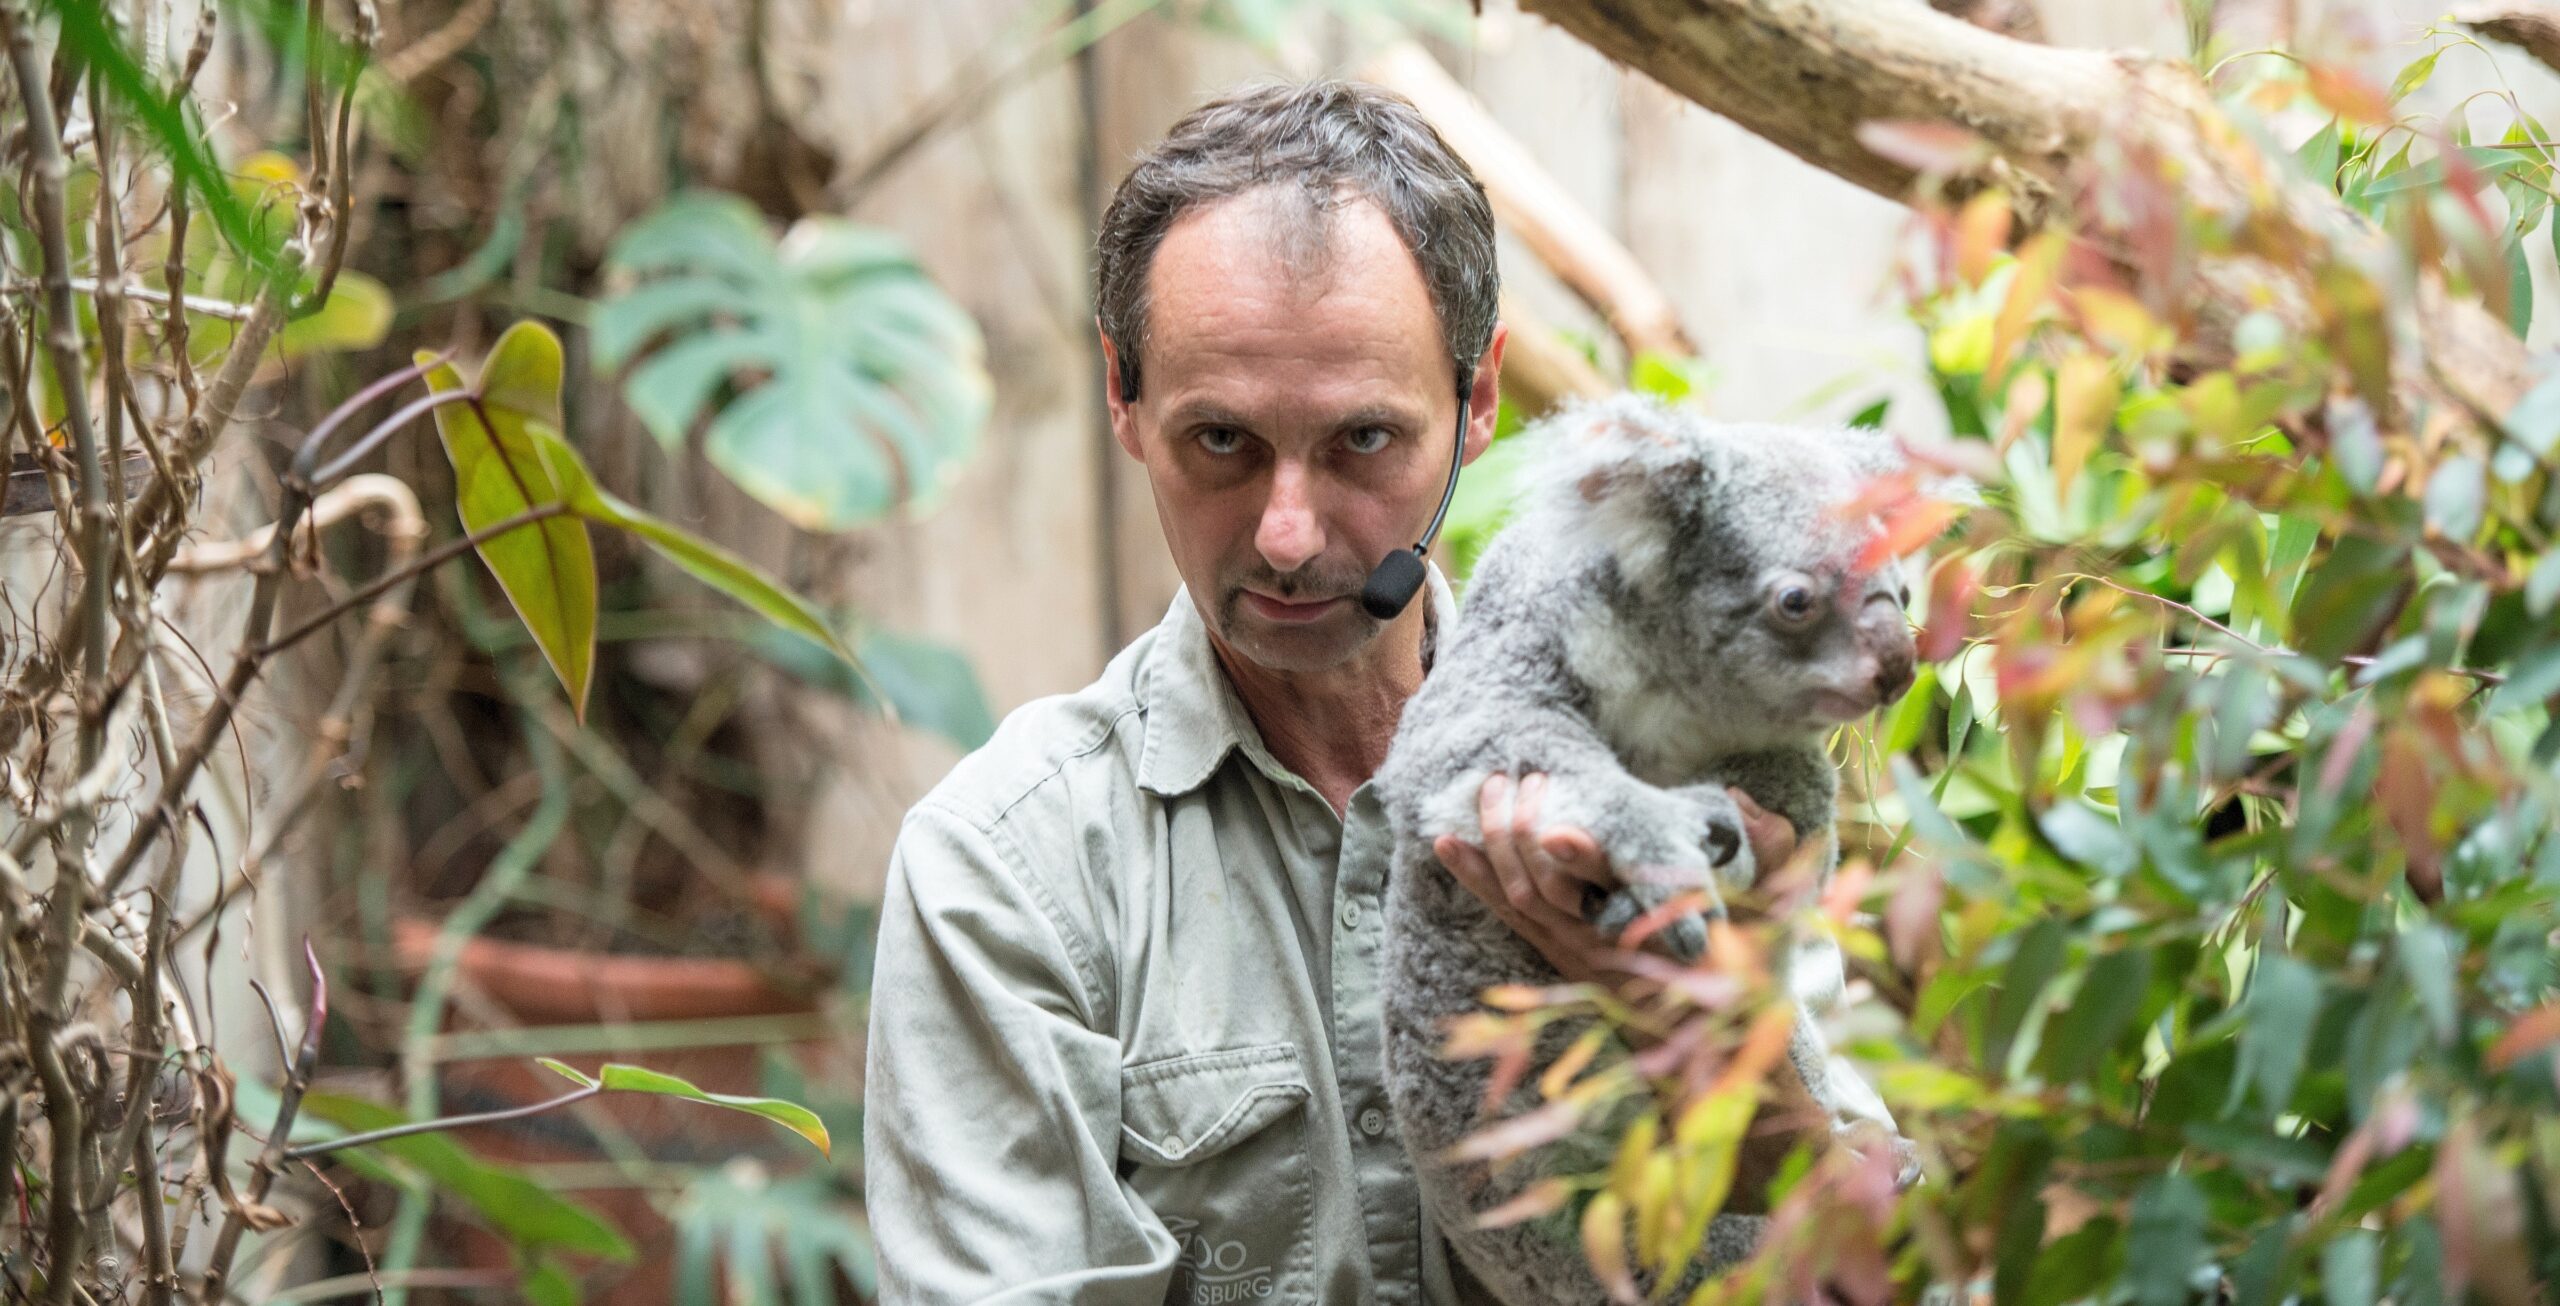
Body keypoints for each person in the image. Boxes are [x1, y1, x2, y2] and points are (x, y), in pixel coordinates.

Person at [861, 79, 1799, 1304]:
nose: (1290, 535)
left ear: (1476, 400)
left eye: (1361, 440)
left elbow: (1885, 1258)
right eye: (1221, 443)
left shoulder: (1695, 794)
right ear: (1122, 396)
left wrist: (1716, 1038)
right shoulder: (1010, 870)